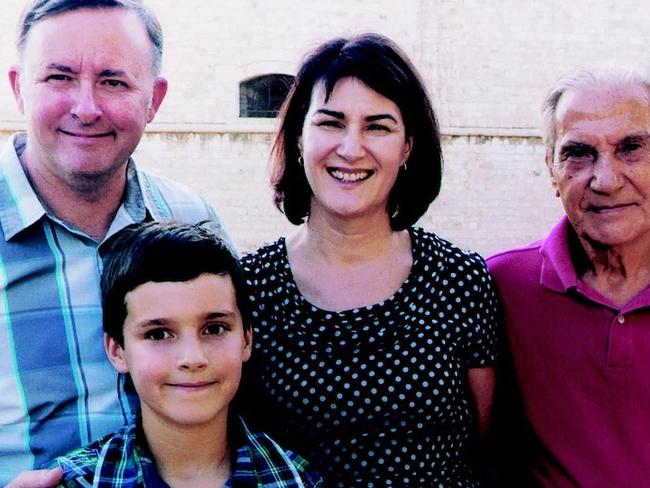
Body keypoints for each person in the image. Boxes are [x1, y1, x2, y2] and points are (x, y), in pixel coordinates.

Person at [240, 33, 499, 487]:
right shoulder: (248, 287)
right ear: (299, 136)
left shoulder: (462, 281)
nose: (351, 147)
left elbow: (485, 441)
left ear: (407, 148)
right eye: (331, 123)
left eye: (378, 126)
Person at [1, 1, 230, 485]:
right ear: (20, 88)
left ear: (154, 99)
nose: (85, 108)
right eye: (59, 77)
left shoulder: (193, 221)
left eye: (113, 81)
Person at [48, 221, 322, 487]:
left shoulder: (295, 478)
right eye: (158, 334)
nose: (192, 358)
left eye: (214, 329)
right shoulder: (79, 481)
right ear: (117, 350)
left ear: (246, 340)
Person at [488, 67, 650, 487]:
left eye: (631, 148)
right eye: (578, 153)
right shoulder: (501, 286)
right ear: (551, 170)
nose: (606, 180)